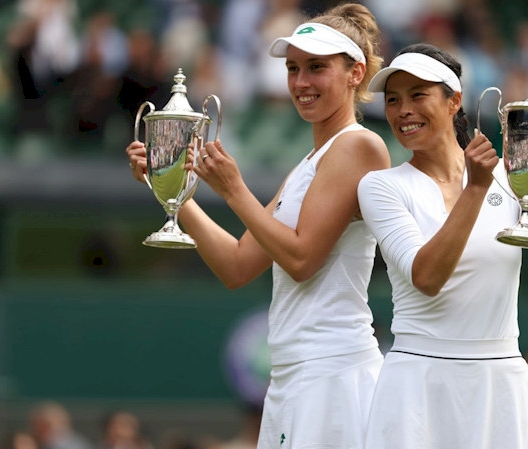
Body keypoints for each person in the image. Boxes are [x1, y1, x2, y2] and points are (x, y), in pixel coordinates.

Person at [126, 4, 389, 448]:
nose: (301, 82)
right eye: (293, 69)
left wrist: (234, 191)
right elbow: (237, 266)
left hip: (333, 373)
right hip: (295, 375)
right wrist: (168, 186)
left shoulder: (359, 145)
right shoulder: (309, 165)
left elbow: (302, 259)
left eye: (316, 68)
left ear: (355, 73)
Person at [356, 43, 528, 449]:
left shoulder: (512, 179)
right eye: (392, 100)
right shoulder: (380, 186)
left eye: (418, 95)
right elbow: (427, 276)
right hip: (416, 387)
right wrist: (475, 188)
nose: (403, 110)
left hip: (500, 387)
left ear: (455, 101)